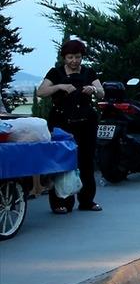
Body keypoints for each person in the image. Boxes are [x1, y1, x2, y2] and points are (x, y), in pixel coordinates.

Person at [37, 39, 104, 212]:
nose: (74, 61)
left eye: (78, 57)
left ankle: (87, 201)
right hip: (61, 122)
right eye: (70, 57)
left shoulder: (89, 72)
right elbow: (41, 92)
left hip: (86, 122)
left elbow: (101, 92)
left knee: (86, 160)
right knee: (61, 160)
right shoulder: (55, 73)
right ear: (64, 58)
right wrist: (60, 86)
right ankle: (61, 203)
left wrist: (93, 90)